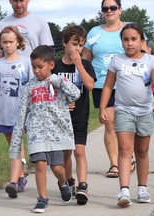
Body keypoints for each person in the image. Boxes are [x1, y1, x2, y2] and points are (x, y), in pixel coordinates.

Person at [99, 23, 154, 207]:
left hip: (145, 111)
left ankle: (142, 188)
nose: (130, 43)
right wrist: (103, 108)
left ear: (142, 41)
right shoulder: (117, 61)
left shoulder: (151, 60)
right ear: (121, 42)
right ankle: (124, 190)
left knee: (142, 151)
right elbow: (107, 86)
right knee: (124, 150)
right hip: (124, 111)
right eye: (126, 40)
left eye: (134, 39)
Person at [8, 45, 80, 213]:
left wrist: (58, 82)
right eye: (34, 67)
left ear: (51, 65)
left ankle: (63, 183)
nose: (36, 71)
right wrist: (16, 140)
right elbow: (22, 115)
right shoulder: (28, 87)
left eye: (40, 67)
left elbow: (76, 94)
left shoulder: (59, 82)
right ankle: (42, 199)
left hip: (56, 133)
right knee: (40, 165)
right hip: (36, 134)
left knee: (56, 168)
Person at [0, 0, 54, 174]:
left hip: (35, 81)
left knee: (34, 124)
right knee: (13, 127)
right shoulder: (2, 24)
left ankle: (41, 155)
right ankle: (22, 162)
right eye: (15, 0)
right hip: (11, 85)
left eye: (22, 0)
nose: (19, 3)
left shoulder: (40, 22)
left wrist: (48, 85)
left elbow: (47, 53)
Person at [83, 0, 136, 178]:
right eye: (105, 8)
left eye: (113, 8)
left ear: (120, 10)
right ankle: (115, 164)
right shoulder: (95, 32)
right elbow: (86, 59)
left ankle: (128, 156)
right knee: (110, 124)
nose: (109, 11)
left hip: (128, 83)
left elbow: (144, 54)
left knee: (127, 123)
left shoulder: (130, 28)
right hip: (102, 84)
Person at [0, 26, 34, 195]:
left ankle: (15, 180)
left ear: (18, 42)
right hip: (5, 111)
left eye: (11, 41)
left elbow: (33, 85)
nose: (8, 45)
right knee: (12, 144)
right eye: (4, 42)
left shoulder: (26, 63)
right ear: (0, 44)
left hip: (21, 111)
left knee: (16, 146)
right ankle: (20, 176)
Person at [51, 25, 96, 205]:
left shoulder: (85, 64)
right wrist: (61, 103)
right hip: (61, 118)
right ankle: (69, 181)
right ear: (64, 43)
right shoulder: (55, 65)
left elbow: (90, 85)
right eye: (74, 44)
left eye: (81, 45)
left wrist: (78, 64)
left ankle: (82, 185)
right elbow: (50, 91)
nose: (78, 48)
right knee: (66, 153)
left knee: (79, 150)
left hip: (80, 115)